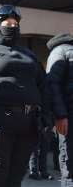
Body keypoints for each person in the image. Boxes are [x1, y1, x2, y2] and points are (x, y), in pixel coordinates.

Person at [0, 5, 50, 187]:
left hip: (28, 123)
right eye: (8, 23)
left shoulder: (29, 55)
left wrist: (46, 117)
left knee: (17, 175)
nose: (13, 26)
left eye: (16, 23)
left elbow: (44, 86)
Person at [46, 33, 73, 186]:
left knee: (68, 161)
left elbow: (52, 85)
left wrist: (60, 115)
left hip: (68, 115)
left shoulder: (58, 52)